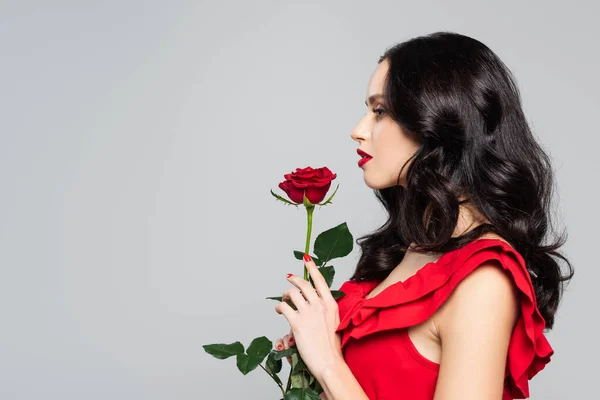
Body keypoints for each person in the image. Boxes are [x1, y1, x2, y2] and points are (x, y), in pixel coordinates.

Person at [274, 31, 574, 400]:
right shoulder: (411, 248)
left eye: (379, 111)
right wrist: (310, 358)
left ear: (437, 120)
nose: (358, 131)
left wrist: (328, 363)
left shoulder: (483, 278)